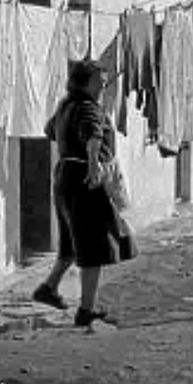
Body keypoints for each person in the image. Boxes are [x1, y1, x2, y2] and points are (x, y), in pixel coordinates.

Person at [32, 60, 136, 327]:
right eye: (99, 82)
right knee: (93, 244)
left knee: (71, 240)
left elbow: (50, 131)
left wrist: (70, 143)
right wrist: (92, 164)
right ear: (85, 82)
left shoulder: (65, 106)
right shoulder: (88, 108)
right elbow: (92, 136)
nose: (103, 86)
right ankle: (86, 310)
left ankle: (49, 287)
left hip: (64, 175)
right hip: (84, 178)